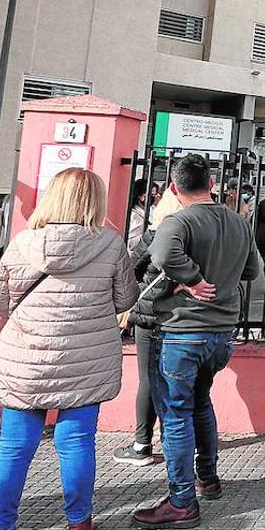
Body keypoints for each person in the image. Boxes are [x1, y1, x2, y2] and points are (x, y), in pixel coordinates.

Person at [0, 168, 136, 530]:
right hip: (84, 359)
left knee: (14, 448)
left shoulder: (22, 243)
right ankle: (78, 525)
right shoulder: (110, 244)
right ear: (95, 202)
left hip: (24, 359)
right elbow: (125, 299)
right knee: (77, 442)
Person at [132, 154, 258, 529]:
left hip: (182, 332)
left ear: (173, 187)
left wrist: (189, 277)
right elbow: (252, 269)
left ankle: (181, 501)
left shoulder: (179, 221)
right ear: (212, 184)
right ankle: (208, 477)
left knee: (175, 414)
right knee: (201, 402)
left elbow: (162, 253)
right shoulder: (238, 222)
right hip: (221, 335)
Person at [112, 189, 184, 467]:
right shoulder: (196, 233)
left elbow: (130, 270)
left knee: (148, 379)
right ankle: (175, 440)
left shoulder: (155, 235)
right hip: (185, 318)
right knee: (179, 381)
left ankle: (142, 444)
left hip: (151, 315)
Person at [127, 177, 150, 250]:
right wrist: (148, 236)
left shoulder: (150, 211)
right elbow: (129, 243)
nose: (158, 197)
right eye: (153, 194)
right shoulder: (134, 215)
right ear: (141, 197)